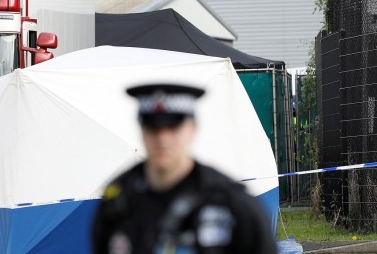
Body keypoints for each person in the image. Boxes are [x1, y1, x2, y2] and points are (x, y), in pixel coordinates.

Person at [92, 84, 277, 254]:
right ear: (141, 130)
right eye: (153, 128)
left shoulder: (231, 204)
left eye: (174, 128)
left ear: (192, 129)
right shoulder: (118, 202)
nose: (163, 139)